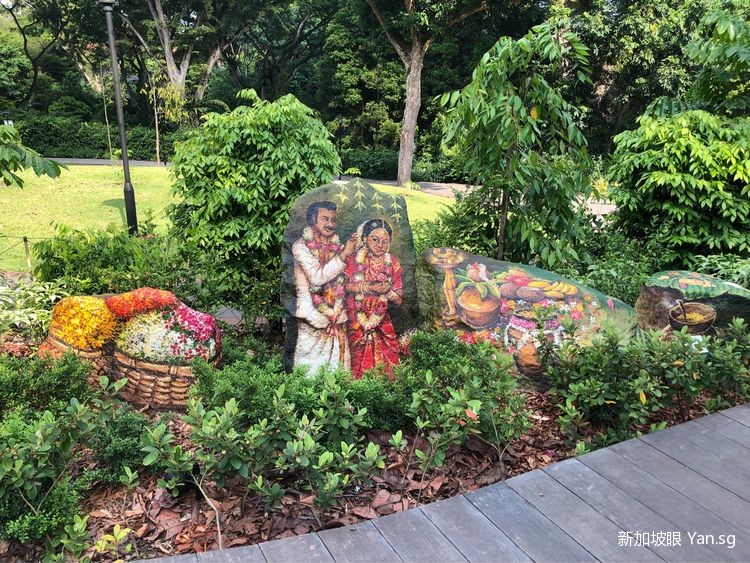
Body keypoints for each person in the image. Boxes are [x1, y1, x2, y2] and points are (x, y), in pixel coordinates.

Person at [292, 201, 356, 373]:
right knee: (309, 373)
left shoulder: (338, 246)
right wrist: (344, 254)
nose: (330, 224)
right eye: (325, 219)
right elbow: (317, 277)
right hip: (313, 320)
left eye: (333, 220)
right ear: (313, 220)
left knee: (339, 373)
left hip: (337, 320)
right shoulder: (301, 246)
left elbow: (347, 280)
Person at [345, 219, 402, 379]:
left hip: (381, 318)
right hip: (356, 316)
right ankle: (358, 387)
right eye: (375, 239)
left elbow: (399, 299)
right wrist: (369, 287)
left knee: (389, 351)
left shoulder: (393, 263)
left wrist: (388, 292)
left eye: (385, 241)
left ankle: (388, 386)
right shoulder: (354, 259)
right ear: (365, 239)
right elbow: (344, 287)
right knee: (357, 354)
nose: (380, 245)